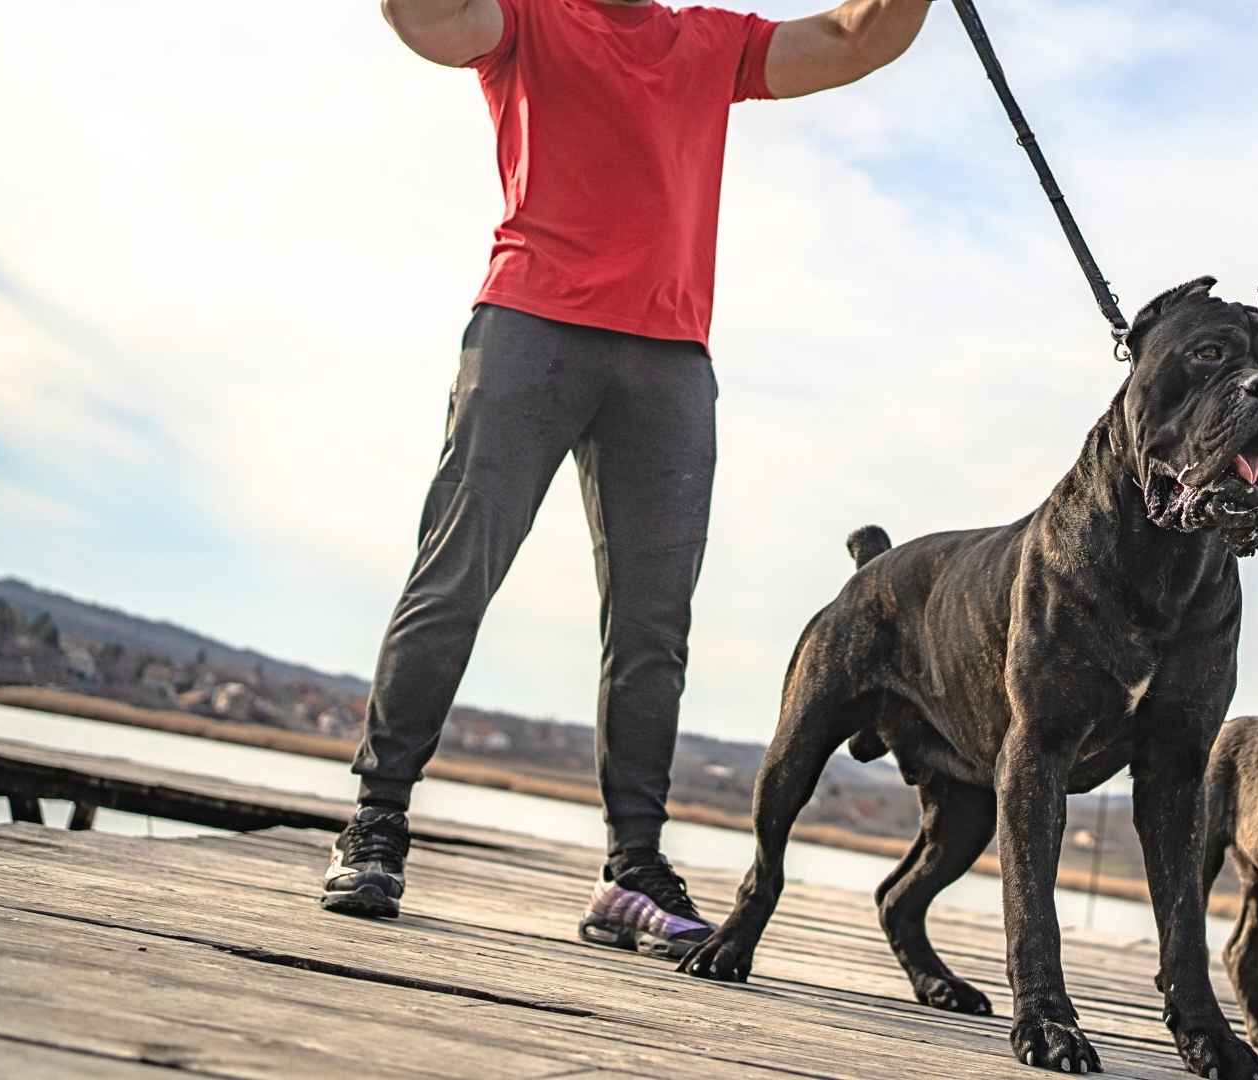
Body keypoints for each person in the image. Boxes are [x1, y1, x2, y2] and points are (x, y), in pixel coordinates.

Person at [321, 0, 934, 959]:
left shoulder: (709, 41)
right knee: (455, 577)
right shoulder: (524, 19)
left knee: (654, 626)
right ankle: (377, 821)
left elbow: (861, 37)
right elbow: (425, 16)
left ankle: (631, 870)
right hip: (530, 329)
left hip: (670, 362)